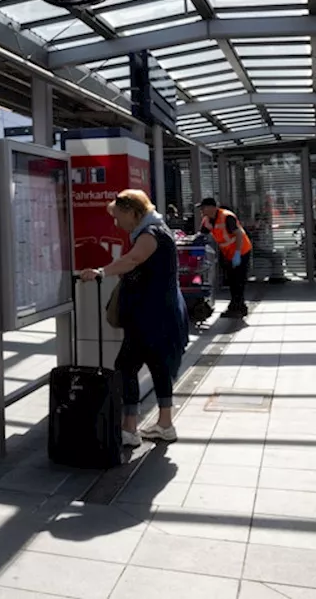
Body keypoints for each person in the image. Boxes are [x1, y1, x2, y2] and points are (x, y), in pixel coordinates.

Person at [79, 189, 188, 446]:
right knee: (159, 367)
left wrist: (100, 272)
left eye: (118, 216)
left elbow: (133, 260)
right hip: (161, 314)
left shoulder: (150, 235)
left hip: (150, 316)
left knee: (125, 367)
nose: (116, 223)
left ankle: (129, 428)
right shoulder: (158, 230)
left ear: (131, 212)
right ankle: (165, 424)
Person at [200, 197, 253, 317]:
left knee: (238, 280)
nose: (201, 211)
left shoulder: (227, 217)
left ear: (211, 208)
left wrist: (238, 253)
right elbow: (202, 235)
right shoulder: (207, 220)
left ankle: (238, 307)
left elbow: (238, 234)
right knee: (232, 280)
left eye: (203, 208)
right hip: (228, 252)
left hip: (242, 250)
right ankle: (237, 305)